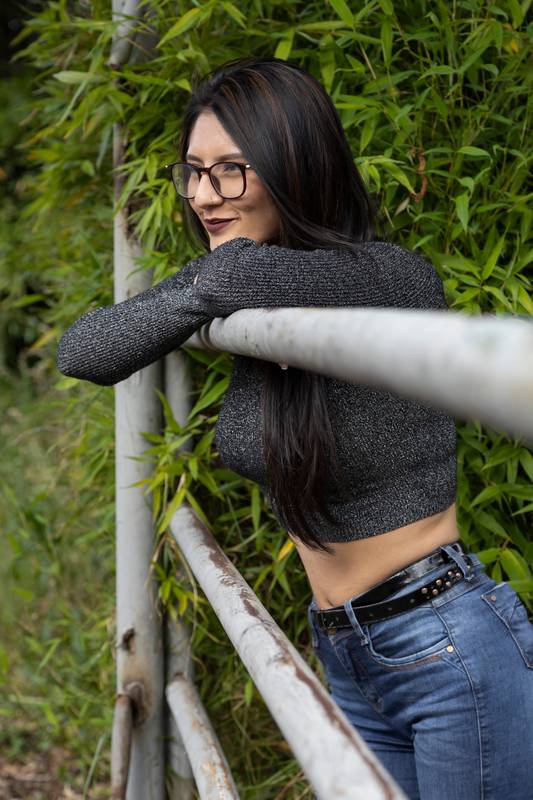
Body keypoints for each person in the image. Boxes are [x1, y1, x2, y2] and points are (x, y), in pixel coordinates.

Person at [56, 57, 533, 799]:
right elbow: (84, 350)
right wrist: (201, 292)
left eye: (231, 172)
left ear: (294, 166)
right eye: (194, 173)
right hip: (345, 650)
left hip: (448, 649)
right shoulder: (246, 287)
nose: (206, 197)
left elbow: (226, 280)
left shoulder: (390, 278)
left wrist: (200, 289)